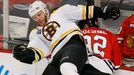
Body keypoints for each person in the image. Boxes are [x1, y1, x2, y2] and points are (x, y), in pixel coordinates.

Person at [12, 0, 120, 75]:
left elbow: (86, 12)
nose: (38, 19)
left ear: (45, 10)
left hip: (73, 44)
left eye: (39, 14)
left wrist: (104, 11)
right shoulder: (35, 33)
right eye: (35, 17)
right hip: (56, 56)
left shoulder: (61, 12)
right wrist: (24, 54)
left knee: (67, 68)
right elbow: (37, 53)